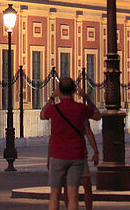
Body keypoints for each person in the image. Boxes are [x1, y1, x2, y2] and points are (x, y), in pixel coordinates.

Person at [41, 77, 100, 210]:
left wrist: (52, 97)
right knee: (73, 194)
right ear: (74, 90)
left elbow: (42, 113)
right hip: (77, 155)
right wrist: (86, 97)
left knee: (55, 195)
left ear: (59, 90)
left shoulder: (54, 109)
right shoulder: (81, 108)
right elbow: (97, 115)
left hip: (57, 155)